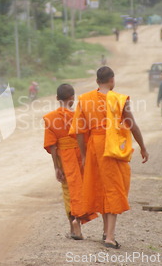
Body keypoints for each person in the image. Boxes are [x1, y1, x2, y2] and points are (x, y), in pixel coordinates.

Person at [69, 66, 149, 249]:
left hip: (94, 147)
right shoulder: (120, 100)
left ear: (97, 81)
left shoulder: (84, 99)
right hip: (113, 147)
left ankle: (106, 230)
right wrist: (143, 147)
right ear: (112, 80)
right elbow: (133, 126)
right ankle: (110, 238)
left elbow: (80, 132)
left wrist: (83, 154)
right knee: (113, 188)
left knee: (102, 187)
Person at [43, 84, 97, 240]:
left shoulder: (51, 118)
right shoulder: (79, 116)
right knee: (81, 189)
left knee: (69, 192)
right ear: (72, 98)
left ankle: (74, 226)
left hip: (64, 158)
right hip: (80, 156)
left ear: (57, 99)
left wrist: (56, 167)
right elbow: (87, 137)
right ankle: (77, 223)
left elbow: (52, 145)